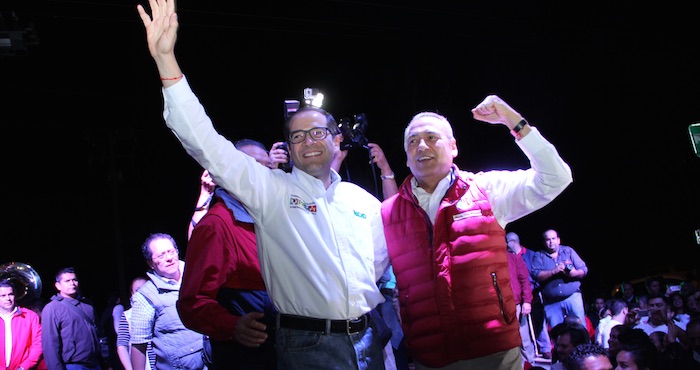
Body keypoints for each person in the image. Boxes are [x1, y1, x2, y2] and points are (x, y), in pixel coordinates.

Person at [136, 1, 392, 367]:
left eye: (318, 132)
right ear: (288, 149)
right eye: (297, 136)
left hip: (368, 339)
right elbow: (204, 141)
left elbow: (379, 261)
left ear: (337, 141)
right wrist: (166, 61)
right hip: (308, 346)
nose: (308, 141)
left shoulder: (361, 200)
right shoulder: (272, 192)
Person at [380, 98, 573, 370]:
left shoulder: (486, 190)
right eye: (412, 141)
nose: (421, 145)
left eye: (432, 137)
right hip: (430, 358)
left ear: (453, 147)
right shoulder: (388, 214)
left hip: (494, 353)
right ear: (406, 156)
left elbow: (556, 178)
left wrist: (513, 121)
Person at [177, 139, 281, 370]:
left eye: (267, 166)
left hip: (283, 352)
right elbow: (191, 302)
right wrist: (232, 325)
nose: (262, 173)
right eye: (251, 165)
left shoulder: (274, 219)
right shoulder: (216, 226)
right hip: (248, 358)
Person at [129, 233, 206, 370]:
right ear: (151, 263)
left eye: (171, 252)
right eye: (161, 255)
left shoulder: (198, 275)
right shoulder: (146, 296)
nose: (169, 258)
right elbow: (139, 344)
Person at [41, 267, 104, 370]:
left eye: (74, 280)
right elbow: (50, 345)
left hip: (94, 363)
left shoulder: (87, 304)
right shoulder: (52, 308)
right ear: (58, 285)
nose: (72, 283)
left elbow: (99, 333)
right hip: (72, 365)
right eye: (67, 281)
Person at [507, 231, 553, 360]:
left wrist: (527, 298)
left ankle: (542, 350)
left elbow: (528, 277)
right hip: (513, 299)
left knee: (537, 322)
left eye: (507, 241)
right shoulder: (507, 256)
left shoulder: (529, 255)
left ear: (514, 242)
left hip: (531, 294)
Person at [531, 229, 588, 331]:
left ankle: (585, 347)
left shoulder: (568, 251)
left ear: (558, 240)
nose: (551, 242)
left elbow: (584, 269)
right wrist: (554, 271)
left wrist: (575, 273)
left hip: (572, 297)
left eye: (553, 238)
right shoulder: (539, 255)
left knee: (580, 329)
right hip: (551, 302)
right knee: (557, 332)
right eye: (548, 239)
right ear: (544, 242)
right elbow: (536, 275)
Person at [0, 278, 43, 370]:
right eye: (3, 295)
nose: (8, 298)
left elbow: (38, 344)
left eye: (10, 294)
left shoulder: (31, 316)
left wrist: (24, 367)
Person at [506, 246, 536, 367]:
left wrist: (527, 301)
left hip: (516, 305)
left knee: (524, 339)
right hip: (497, 307)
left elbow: (525, 280)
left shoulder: (514, 258)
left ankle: (530, 364)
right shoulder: (488, 259)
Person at [115, 276, 151, 370]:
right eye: (138, 290)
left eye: (145, 288)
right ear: (132, 294)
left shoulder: (161, 310)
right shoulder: (128, 316)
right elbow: (122, 345)